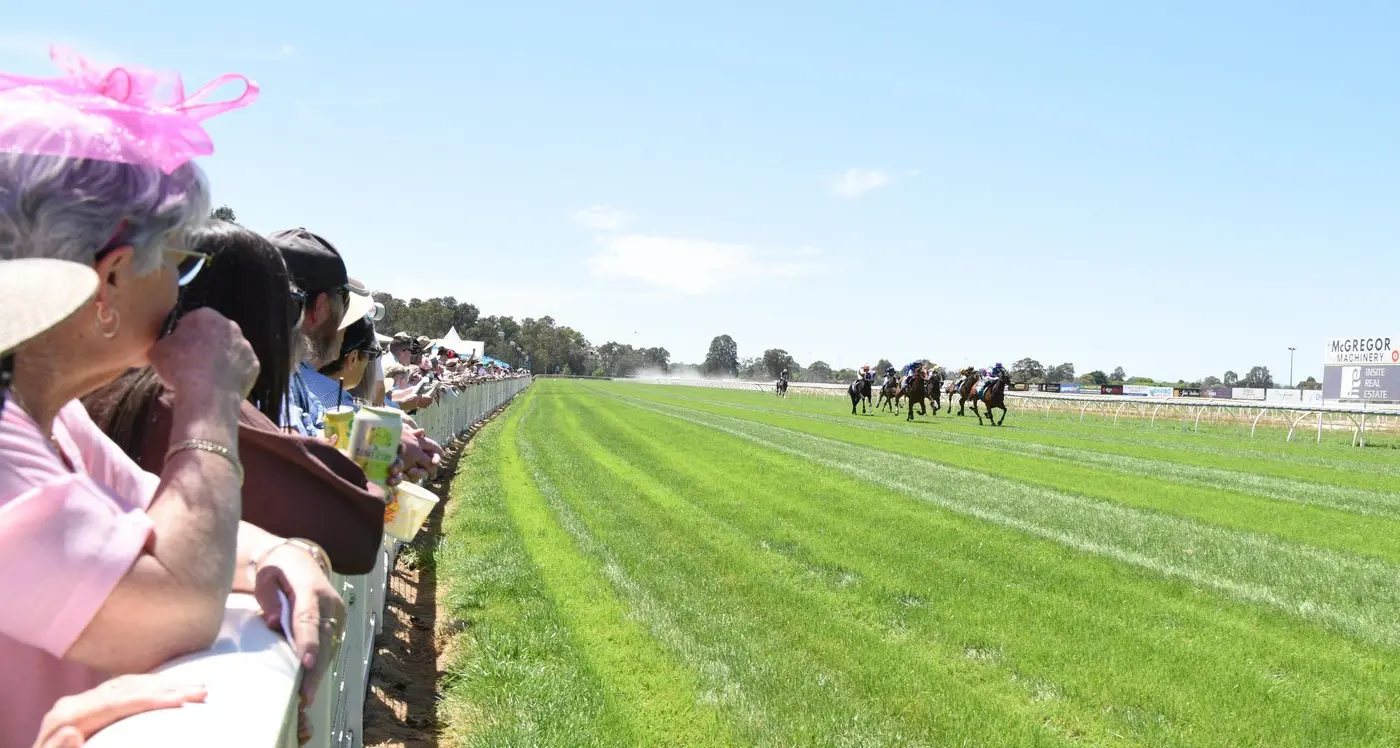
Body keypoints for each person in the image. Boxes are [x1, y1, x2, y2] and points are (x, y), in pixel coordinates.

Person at [0, 48, 342, 746]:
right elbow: (178, 601)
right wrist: (209, 397)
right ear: (113, 280)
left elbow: (181, 534)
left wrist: (287, 554)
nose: (180, 291)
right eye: (178, 264)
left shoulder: (54, 422)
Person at [84, 222, 395, 575]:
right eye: (289, 302)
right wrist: (368, 461)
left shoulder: (118, 391)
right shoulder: (202, 406)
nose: (296, 324)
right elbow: (354, 533)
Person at [268, 229, 443, 482]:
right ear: (320, 308)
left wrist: (389, 441)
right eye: (344, 305)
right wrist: (387, 444)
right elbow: (293, 450)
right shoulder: (268, 373)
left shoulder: (285, 372)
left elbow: (318, 426)